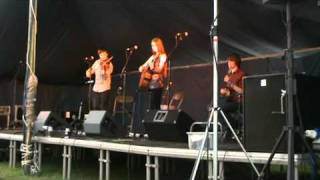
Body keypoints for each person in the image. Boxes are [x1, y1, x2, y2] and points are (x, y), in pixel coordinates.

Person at [219, 53, 245, 139]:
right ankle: (230, 127)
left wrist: (229, 82)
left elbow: (242, 91)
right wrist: (224, 91)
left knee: (220, 108)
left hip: (239, 102)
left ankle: (232, 127)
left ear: (236, 62)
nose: (228, 63)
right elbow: (229, 91)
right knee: (215, 107)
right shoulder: (230, 74)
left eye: (231, 61)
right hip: (230, 100)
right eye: (228, 61)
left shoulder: (241, 74)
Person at [138, 37, 167, 109]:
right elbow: (144, 65)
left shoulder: (163, 56)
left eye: (154, 45)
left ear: (159, 46)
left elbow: (160, 69)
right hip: (150, 84)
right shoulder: (152, 57)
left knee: (156, 106)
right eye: (152, 45)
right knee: (151, 106)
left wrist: (152, 68)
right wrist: (141, 68)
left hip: (158, 84)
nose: (153, 47)